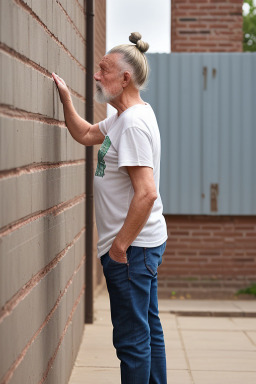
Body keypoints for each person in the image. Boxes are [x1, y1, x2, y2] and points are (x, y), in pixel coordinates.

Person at [52, 32, 168, 384]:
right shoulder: (122, 117)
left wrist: (119, 247)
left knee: (132, 341)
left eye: (104, 70)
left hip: (131, 249)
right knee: (148, 330)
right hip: (140, 246)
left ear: (125, 78)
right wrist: (66, 101)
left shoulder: (132, 124)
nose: (97, 76)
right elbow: (87, 134)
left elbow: (145, 193)